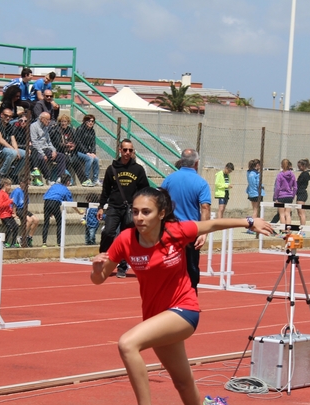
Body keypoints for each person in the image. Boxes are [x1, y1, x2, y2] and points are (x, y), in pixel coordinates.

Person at [89, 187, 273, 405]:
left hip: (184, 310)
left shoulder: (175, 232)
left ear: (161, 214)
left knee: (127, 343)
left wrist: (249, 221)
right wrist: (96, 267)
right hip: (156, 318)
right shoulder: (126, 240)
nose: (139, 217)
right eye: (135, 212)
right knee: (183, 382)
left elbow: (211, 224)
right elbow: (99, 279)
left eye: (146, 212)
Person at [160, 149, 212, 293]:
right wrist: (204, 232)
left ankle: (169, 295)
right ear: (196, 163)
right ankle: (191, 295)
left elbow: (159, 200)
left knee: (169, 263)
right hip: (190, 230)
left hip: (171, 229)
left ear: (181, 161)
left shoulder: (169, 179)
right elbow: (205, 207)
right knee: (191, 266)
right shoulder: (201, 183)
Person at [98, 139, 150, 278]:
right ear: (120, 150)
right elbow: (105, 190)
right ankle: (103, 259)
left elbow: (145, 190)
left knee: (125, 239)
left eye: (130, 150)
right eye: (125, 150)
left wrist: (142, 208)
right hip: (114, 207)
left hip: (130, 210)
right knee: (108, 232)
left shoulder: (138, 169)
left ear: (133, 152)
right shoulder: (112, 169)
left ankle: (122, 266)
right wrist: (101, 207)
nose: (128, 153)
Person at [41, 173, 81, 248]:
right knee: (59, 223)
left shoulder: (54, 186)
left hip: (47, 202)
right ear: (68, 182)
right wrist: (79, 212)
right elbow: (71, 203)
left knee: (46, 223)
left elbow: (47, 195)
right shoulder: (66, 190)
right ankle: (58, 243)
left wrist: (49, 210)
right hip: (55, 203)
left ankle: (44, 243)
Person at [30, 112, 66, 184]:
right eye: (48, 119)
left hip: (46, 149)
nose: (49, 121)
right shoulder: (33, 126)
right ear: (42, 119)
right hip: (37, 150)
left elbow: (49, 142)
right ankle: (48, 178)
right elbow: (34, 142)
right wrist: (43, 154)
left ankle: (60, 178)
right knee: (41, 158)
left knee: (62, 156)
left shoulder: (46, 128)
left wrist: (54, 150)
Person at [0, 108, 25, 181]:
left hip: (5, 149)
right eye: (6, 115)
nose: (8, 118)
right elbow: (0, 140)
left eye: (10, 116)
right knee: (12, 153)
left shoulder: (9, 126)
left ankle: (14, 174)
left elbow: (13, 139)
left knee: (25, 154)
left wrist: (16, 150)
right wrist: (13, 150)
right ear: (1, 115)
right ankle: (2, 173)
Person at [50, 114, 82, 183]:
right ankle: (69, 180)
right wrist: (65, 145)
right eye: (62, 121)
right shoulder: (56, 130)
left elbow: (77, 141)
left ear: (68, 122)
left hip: (71, 151)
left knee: (76, 161)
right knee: (67, 160)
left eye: (65, 121)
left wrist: (74, 146)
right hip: (61, 151)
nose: (63, 123)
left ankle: (83, 180)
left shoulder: (71, 130)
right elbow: (56, 143)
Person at [11, 178, 38, 248]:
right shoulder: (17, 191)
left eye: (28, 184)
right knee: (29, 220)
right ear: (21, 183)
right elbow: (14, 204)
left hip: (24, 209)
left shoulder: (25, 192)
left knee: (36, 220)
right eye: (27, 184)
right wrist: (14, 213)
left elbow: (26, 203)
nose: (28, 186)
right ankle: (22, 238)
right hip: (18, 209)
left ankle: (29, 238)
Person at [74, 114, 100, 186]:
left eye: (92, 121)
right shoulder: (80, 129)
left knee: (96, 159)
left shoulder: (92, 131)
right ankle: (86, 179)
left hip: (87, 151)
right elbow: (78, 143)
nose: (91, 123)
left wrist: (93, 152)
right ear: (85, 121)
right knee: (89, 159)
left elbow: (93, 143)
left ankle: (95, 180)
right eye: (89, 121)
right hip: (78, 151)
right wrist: (87, 152)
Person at [0, 178, 19, 248]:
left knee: (16, 227)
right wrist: (10, 201)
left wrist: (12, 212)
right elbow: (0, 205)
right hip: (3, 215)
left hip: (8, 214)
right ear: (5, 185)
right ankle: (4, 242)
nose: (10, 188)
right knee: (9, 227)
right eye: (9, 186)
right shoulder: (0, 194)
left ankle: (13, 243)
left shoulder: (6, 194)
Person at [273, 159, 297, 226]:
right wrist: (293, 196)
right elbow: (295, 187)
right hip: (289, 196)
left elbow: (277, 187)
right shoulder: (292, 175)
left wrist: (275, 197)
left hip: (281, 196)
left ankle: (283, 230)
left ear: (281, 165)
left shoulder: (280, 175)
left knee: (282, 214)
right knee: (288, 214)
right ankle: (288, 230)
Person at [296, 158, 310, 226]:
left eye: (299, 166)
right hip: (300, 193)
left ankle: (303, 229)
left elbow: (299, 183)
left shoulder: (305, 174)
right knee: (300, 213)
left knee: (301, 213)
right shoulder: (304, 174)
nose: (299, 168)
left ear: (303, 166)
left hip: (302, 193)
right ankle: (302, 227)